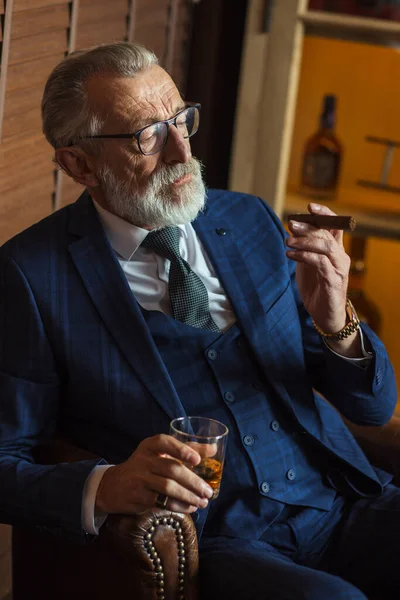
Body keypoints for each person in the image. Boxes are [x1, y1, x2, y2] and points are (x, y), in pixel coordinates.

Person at [0, 41, 398, 600]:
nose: (182, 152)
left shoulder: (251, 219)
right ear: (79, 163)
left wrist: (337, 321)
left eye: (181, 119)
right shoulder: (31, 276)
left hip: (342, 500)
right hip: (222, 540)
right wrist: (107, 485)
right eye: (147, 136)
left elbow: (372, 408)